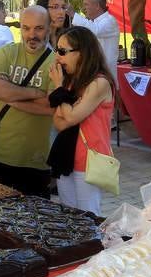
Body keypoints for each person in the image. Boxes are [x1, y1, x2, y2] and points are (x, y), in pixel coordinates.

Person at [0, 5, 56, 196]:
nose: (32, 35)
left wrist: (11, 97)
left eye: (39, 28)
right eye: (26, 28)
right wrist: (37, 93)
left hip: (36, 160)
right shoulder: (6, 53)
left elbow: (50, 105)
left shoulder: (55, 62)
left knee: (35, 214)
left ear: (49, 29)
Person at [47, 26, 115, 216]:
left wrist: (59, 89)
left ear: (82, 53)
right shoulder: (70, 82)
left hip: (89, 160)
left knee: (87, 218)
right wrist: (65, 98)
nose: (57, 56)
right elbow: (59, 122)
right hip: (66, 157)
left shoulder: (99, 83)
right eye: (56, 50)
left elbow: (70, 117)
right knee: (69, 217)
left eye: (62, 51)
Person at [71, 0, 121, 87]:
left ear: (97, 6)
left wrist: (73, 15)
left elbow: (95, 30)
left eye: (86, 4)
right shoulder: (95, 22)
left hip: (106, 75)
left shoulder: (109, 20)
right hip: (95, 73)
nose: (84, 8)